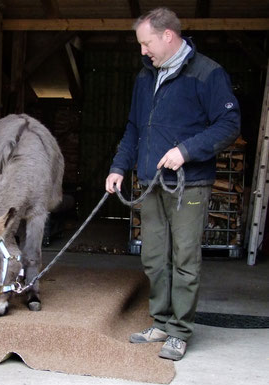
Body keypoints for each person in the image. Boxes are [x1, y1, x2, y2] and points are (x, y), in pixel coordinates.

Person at [105, 7, 240, 361]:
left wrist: (186, 150)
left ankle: (180, 331)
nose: (142, 51)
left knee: (184, 259)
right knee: (152, 258)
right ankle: (162, 321)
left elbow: (229, 124)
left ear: (167, 35)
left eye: (146, 43)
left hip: (188, 185)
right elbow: (135, 127)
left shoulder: (207, 73)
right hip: (150, 181)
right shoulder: (145, 77)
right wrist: (119, 166)